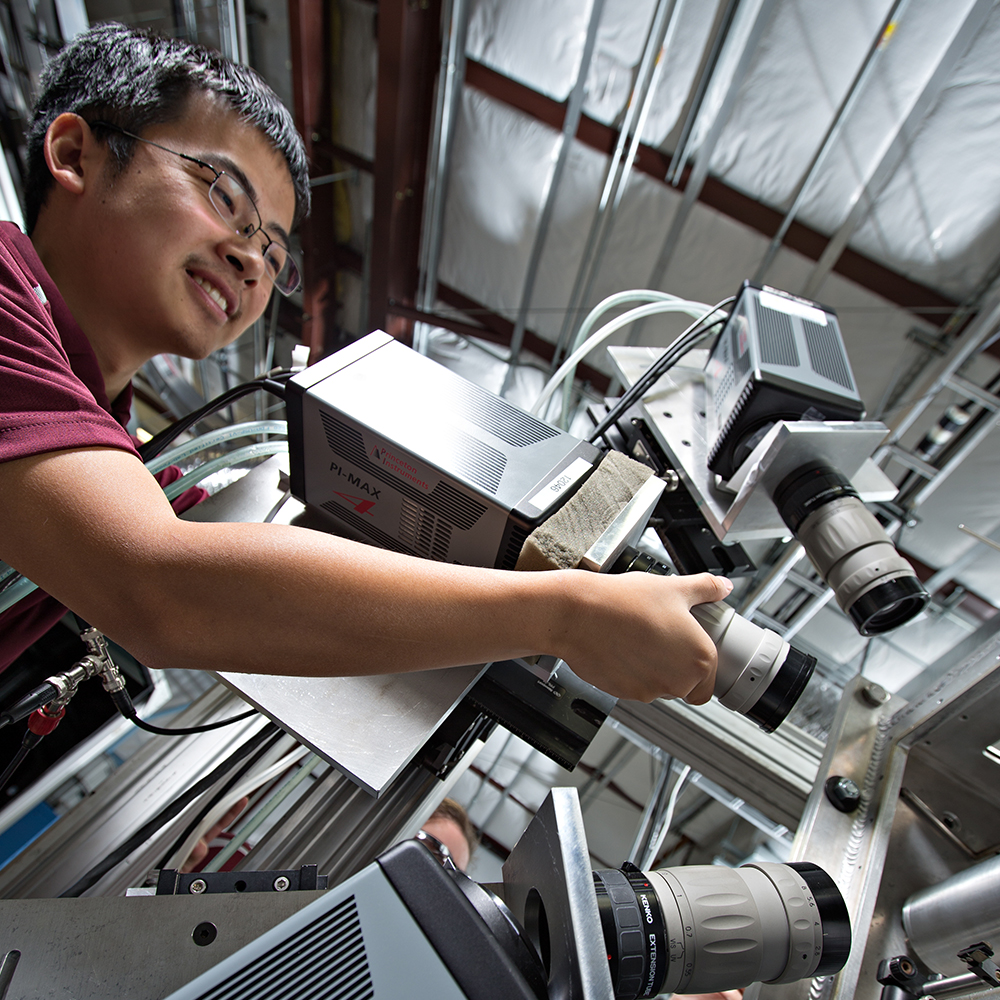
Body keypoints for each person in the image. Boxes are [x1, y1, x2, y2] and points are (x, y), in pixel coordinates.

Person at [0, 23, 731, 706]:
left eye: (274, 251)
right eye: (224, 194)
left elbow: (255, 584)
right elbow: (159, 588)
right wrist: (565, 616)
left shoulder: (131, 453)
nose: (253, 259)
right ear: (74, 155)